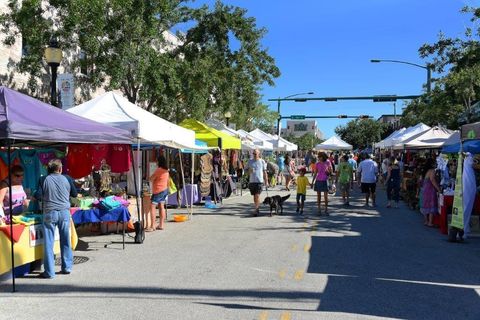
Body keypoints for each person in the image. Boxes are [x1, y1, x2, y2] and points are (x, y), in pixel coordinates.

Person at [39, 159, 78, 279]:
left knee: (49, 243)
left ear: (48, 169)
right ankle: (67, 267)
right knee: (65, 240)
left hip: (50, 213)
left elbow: (38, 195)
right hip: (64, 213)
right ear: (60, 169)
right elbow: (75, 194)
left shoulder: (43, 179)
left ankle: (49, 272)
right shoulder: (67, 178)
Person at [149, 156, 169, 231]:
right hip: (164, 189)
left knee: (152, 207)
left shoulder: (159, 170)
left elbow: (151, 178)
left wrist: (149, 178)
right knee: (161, 206)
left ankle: (152, 226)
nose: (156, 162)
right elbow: (167, 181)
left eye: (157, 161)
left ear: (159, 162)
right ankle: (161, 225)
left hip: (158, 190)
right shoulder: (166, 170)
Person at [245, 149, 268, 216]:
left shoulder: (262, 161)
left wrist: (266, 181)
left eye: (255, 154)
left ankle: (256, 209)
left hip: (259, 181)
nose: (254, 155)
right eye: (253, 153)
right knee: (254, 196)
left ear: (259, 154)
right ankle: (256, 207)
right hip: (252, 181)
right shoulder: (250, 161)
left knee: (257, 195)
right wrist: (249, 171)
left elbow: (264, 172)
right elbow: (245, 170)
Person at [420, 158, 441, 227]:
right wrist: (438, 189)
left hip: (425, 188)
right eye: (435, 162)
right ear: (432, 164)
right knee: (431, 204)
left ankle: (426, 221)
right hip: (430, 189)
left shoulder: (425, 171)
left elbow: (421, 179)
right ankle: (430, 222)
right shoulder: (432, 171)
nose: (436, 164)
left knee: (425, 204)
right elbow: (432, 180)